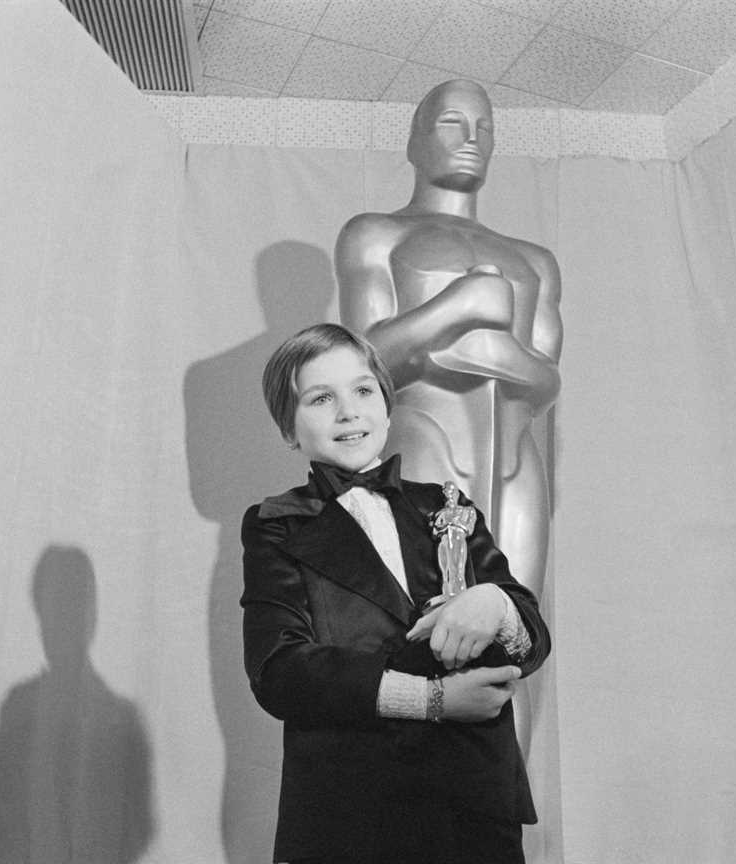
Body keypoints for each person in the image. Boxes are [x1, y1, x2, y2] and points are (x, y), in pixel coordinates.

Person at [241, 323, 550, 864]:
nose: (348, 411)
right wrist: (434, 702)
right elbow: (281, 672)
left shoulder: (449, 505)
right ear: (288, 428)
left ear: (386, 403)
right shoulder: (276, 525)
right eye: (321, 398)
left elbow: (533, 638)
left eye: (362, 390)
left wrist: (495, 604)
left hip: (475, 807)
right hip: (354, 814)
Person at [334, 79, 561, 610]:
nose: (471, 138)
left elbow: (547, 381)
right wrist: (455, 307)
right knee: (432, 624)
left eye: (484, 127)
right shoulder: (377, 234)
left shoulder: (535, 259)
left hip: (516, 460)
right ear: (415, 143)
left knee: (519, 626)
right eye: (451, 123)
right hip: (423, 443)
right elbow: (364, 367)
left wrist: (499, 358)